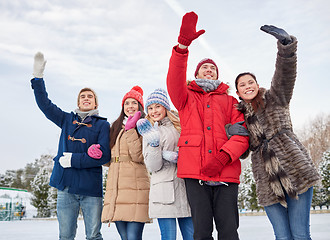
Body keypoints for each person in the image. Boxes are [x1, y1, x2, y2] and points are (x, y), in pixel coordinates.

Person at [166, 12, 250, 240]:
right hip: (195, 173)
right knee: (201, 232)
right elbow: (174, 79)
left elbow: (242, 135)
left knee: (229, 232)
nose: (209, 70)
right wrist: (182, 47)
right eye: (205, 68)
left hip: (226, 173)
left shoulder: (231, 101)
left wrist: (223, 158)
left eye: (213, 68)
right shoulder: (185, 98)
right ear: (195, 73)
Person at [235, 25, 321, 240]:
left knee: (300, 234)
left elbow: (285, 74)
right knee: (282, 236)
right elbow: (242, 151)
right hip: (267, 180)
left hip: (295, 170)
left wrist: (286, 48)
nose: (247, 86)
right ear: (237, 92)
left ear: (257, 84)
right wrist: (235, 133)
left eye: (250, 82)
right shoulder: (239, 116)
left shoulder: (275, 98)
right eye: (242, 85)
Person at [31, 52, 110, 240]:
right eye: (83, 96)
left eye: (90, 96)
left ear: (95, 102)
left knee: (93, 236)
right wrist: (38, 78)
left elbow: (105, 156)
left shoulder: (102, 125)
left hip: (91, 189)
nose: (86, 98)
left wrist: (74, 159)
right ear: (78, 102)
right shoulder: (66, 119)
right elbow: (45, 105)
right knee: (65, 236)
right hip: (66, 187)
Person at [136, 88, 194, 240]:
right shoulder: (148, 131)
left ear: (165, 107)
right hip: (163, 191)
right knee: (168, 237)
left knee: (192, 236)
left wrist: (180, 157)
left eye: (157, 106)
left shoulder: (180, 125)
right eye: (150, 108)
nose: (154, 111)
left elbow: (192, 151)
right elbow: (153, 166)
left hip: (186, 187)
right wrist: (154, 145)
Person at [100, 86, 151, 240]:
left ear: (140, 106)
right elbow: (110, 160)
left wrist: (131, 130)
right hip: (116, 188)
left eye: (134, 103)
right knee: (124, 237)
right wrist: (99, 154)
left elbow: (139, 156)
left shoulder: (144, 124)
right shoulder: (115, 127)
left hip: (136, 186)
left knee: (133, 237)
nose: (130, 106)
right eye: (127, 103)